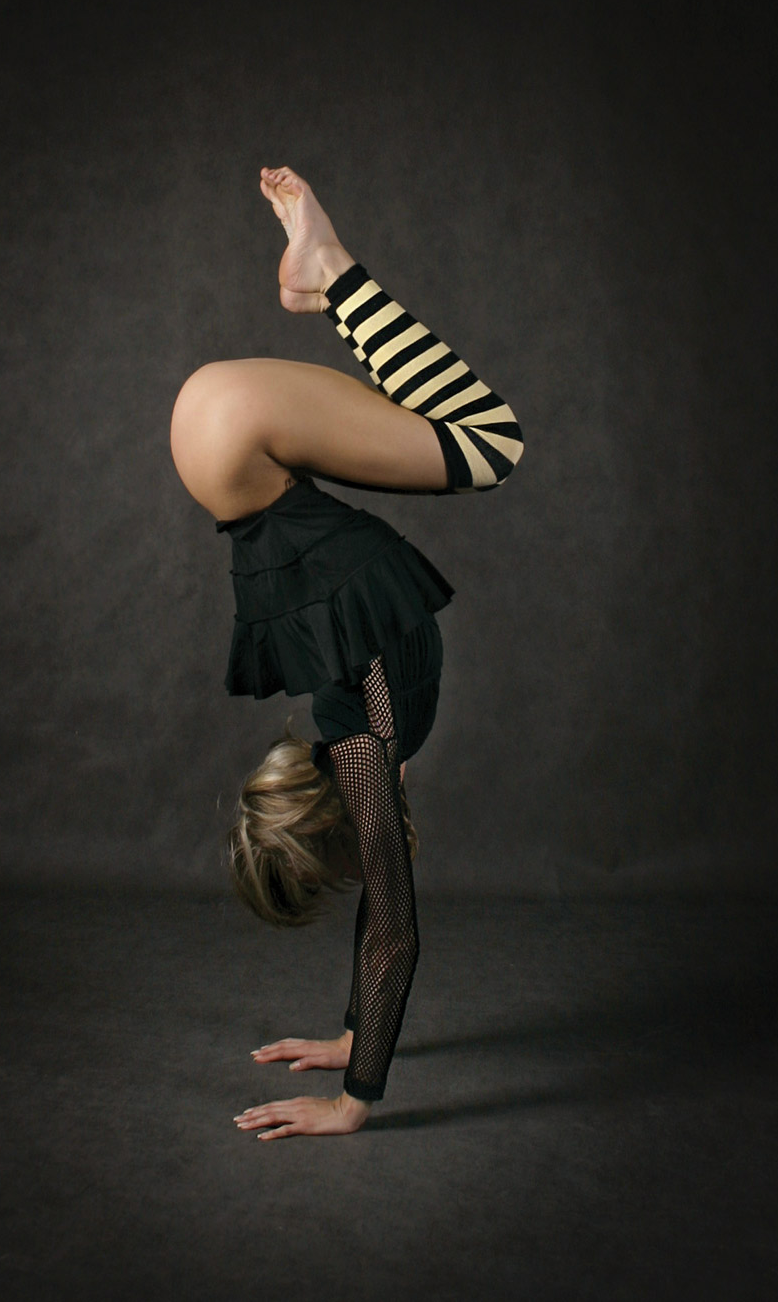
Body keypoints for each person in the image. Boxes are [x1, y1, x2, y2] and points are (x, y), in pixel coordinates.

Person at [169, 167, 523, 1139]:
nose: (361, 872)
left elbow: (394, 933)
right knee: (465, 439)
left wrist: (352, 1099)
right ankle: (326, 283)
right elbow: (381, 913)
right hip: (225, 441)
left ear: (337, 825)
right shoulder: (348, 735)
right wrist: (349, 1032)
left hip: (241, 442)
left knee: (489, 445)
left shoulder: (363, 750)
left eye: (342, 866)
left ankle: (331, 272)